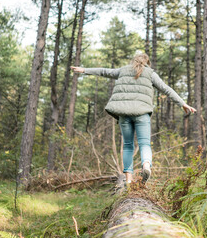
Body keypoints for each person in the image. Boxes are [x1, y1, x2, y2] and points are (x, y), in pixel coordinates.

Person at [71, 53, 196, 186]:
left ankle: (129, 180)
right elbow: (166, 89)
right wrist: (183, 103)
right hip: (141, 113)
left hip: (124, 113)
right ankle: (146, 165)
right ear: (146, 62)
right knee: (144, 144)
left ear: (133, 61)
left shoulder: (123, 70)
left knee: (128, 146)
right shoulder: (150, 73)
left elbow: (104, 71)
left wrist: (84, 70)